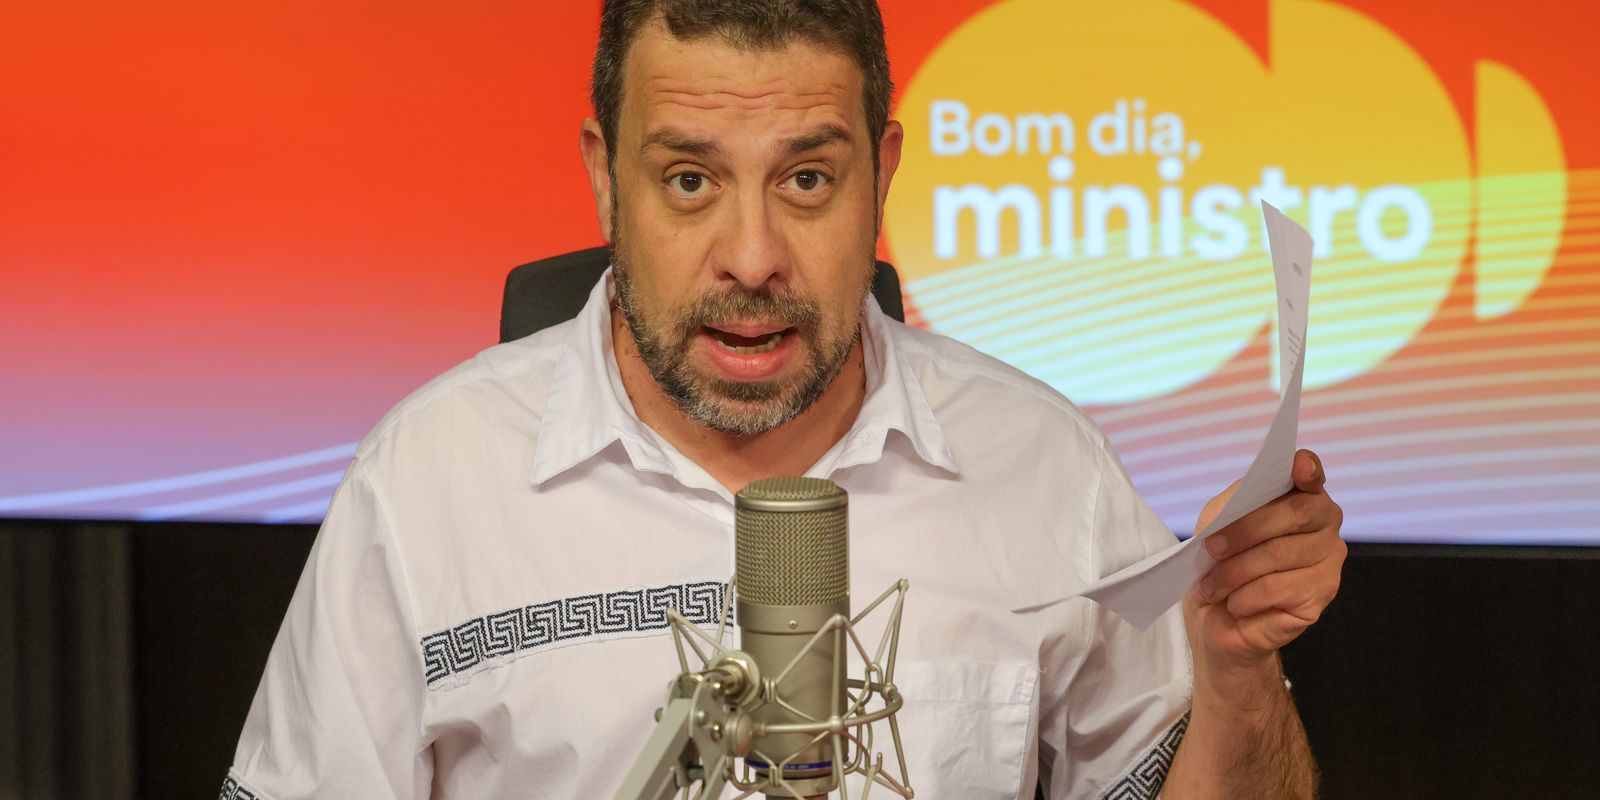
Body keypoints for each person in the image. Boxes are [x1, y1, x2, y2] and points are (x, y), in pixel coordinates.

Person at [222, 1, 1345, 798]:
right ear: (604, 176)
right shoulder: (427, 477)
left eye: (807, 179)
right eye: (690, 181)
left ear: (881, 175)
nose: (752, 257)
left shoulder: (1044, 465)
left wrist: (1236, 675)